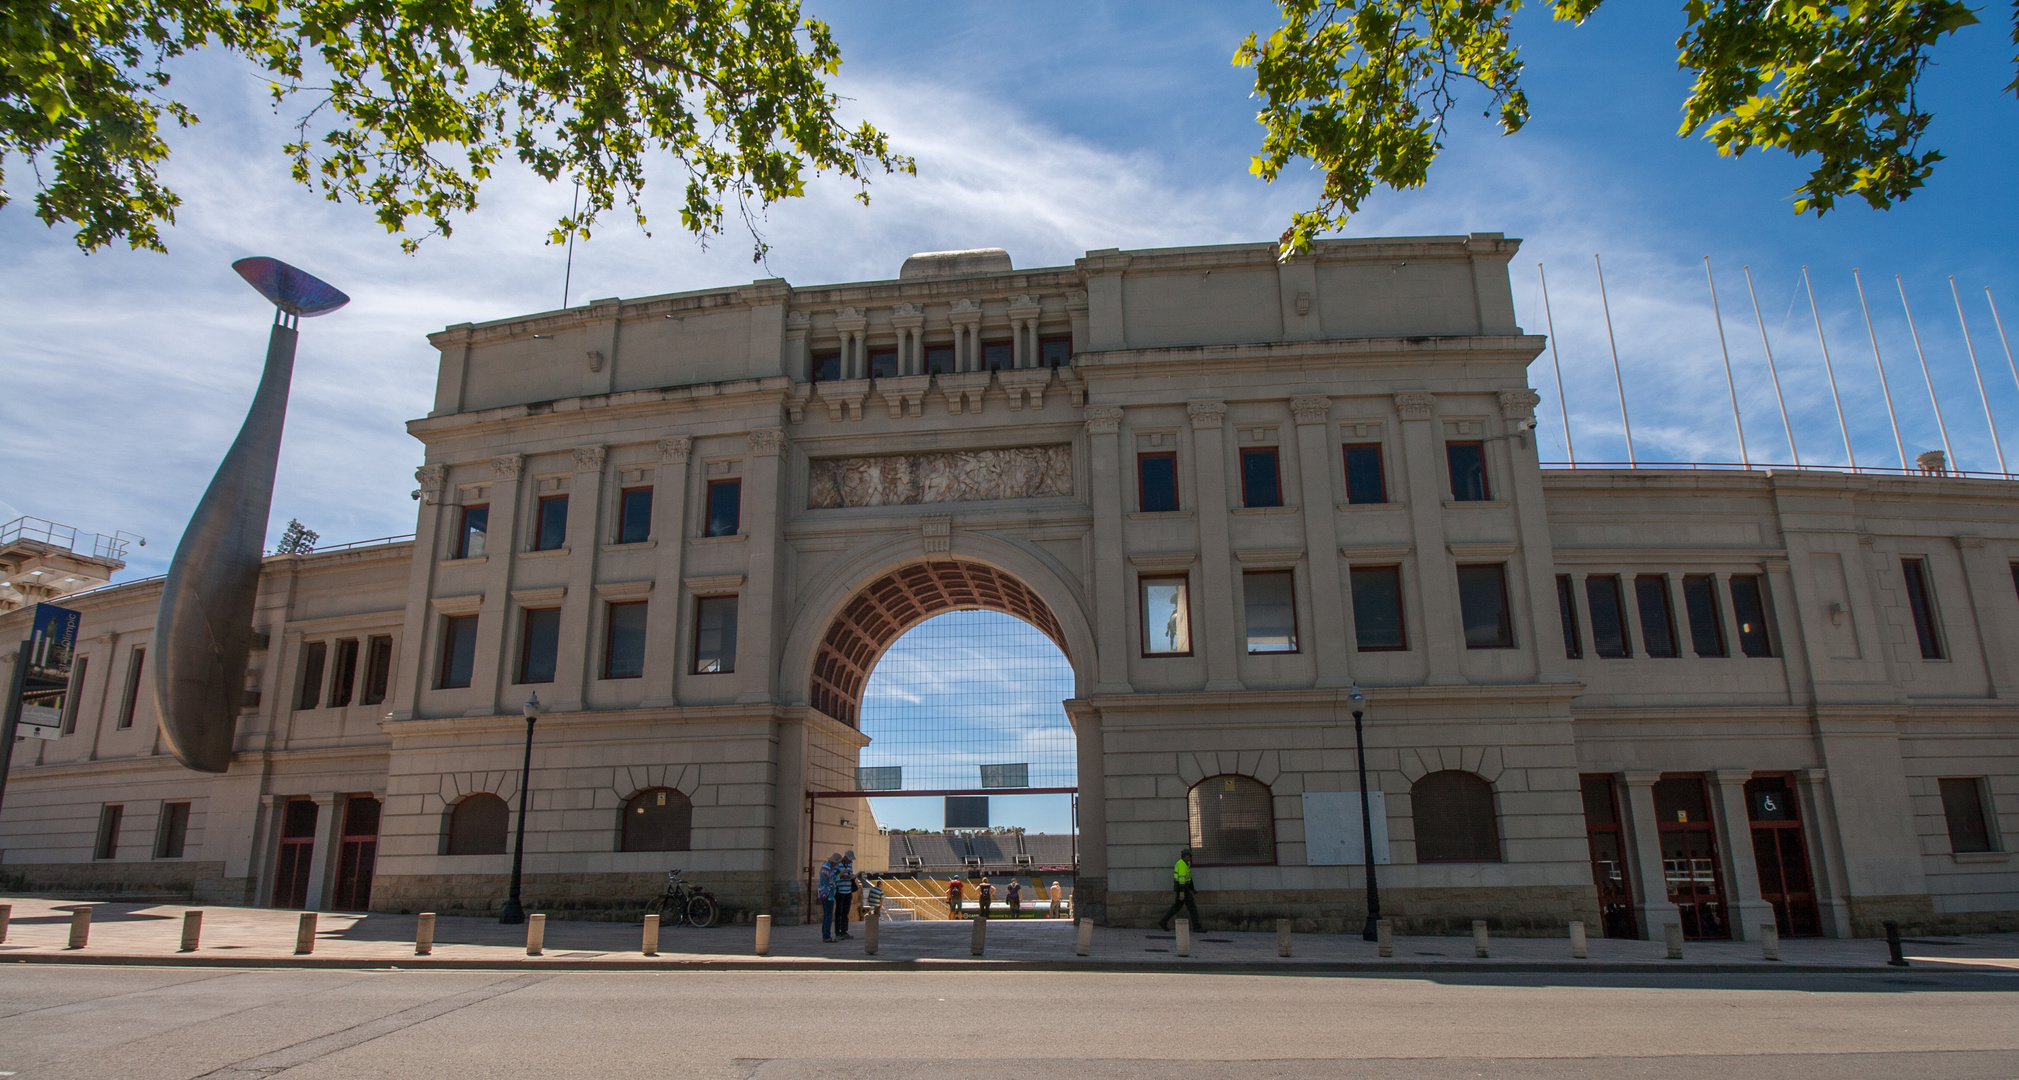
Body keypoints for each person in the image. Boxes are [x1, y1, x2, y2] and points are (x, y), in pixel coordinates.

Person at [1159, 847, 1203, 932]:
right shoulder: (1182, 864)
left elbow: (1188, 879)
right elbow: (1182, 880)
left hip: (1181, 889)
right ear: (1185, 856)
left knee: (1177, 907)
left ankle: (1163, 921)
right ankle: (1196, 927)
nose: (1190, 858)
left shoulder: (1182, 864)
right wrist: (1182, 893)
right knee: (1192, 907)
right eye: (1189, 856)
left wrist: (1192, 889)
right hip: (1183, 889)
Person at [817, 852, 842, 942]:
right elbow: (830, 879)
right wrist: (840, 874)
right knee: (828, 915)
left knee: (827, 915)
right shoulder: (826, 867)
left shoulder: (829, 867)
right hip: (826, 894)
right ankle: (826, 935)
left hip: (828, 893)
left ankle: (826, 934)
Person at [833, 849, 856, 939]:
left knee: (846, 912)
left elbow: (851, 873)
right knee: (839, 911)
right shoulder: (838, 864)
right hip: (840, 891)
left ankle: (844, 931)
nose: (850, 861)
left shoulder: (850, 865)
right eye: (849, 859)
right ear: (845, 857)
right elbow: (835, 875)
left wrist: (852, 877)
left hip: (848, 890)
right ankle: (837, 931)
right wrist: (843, 876)